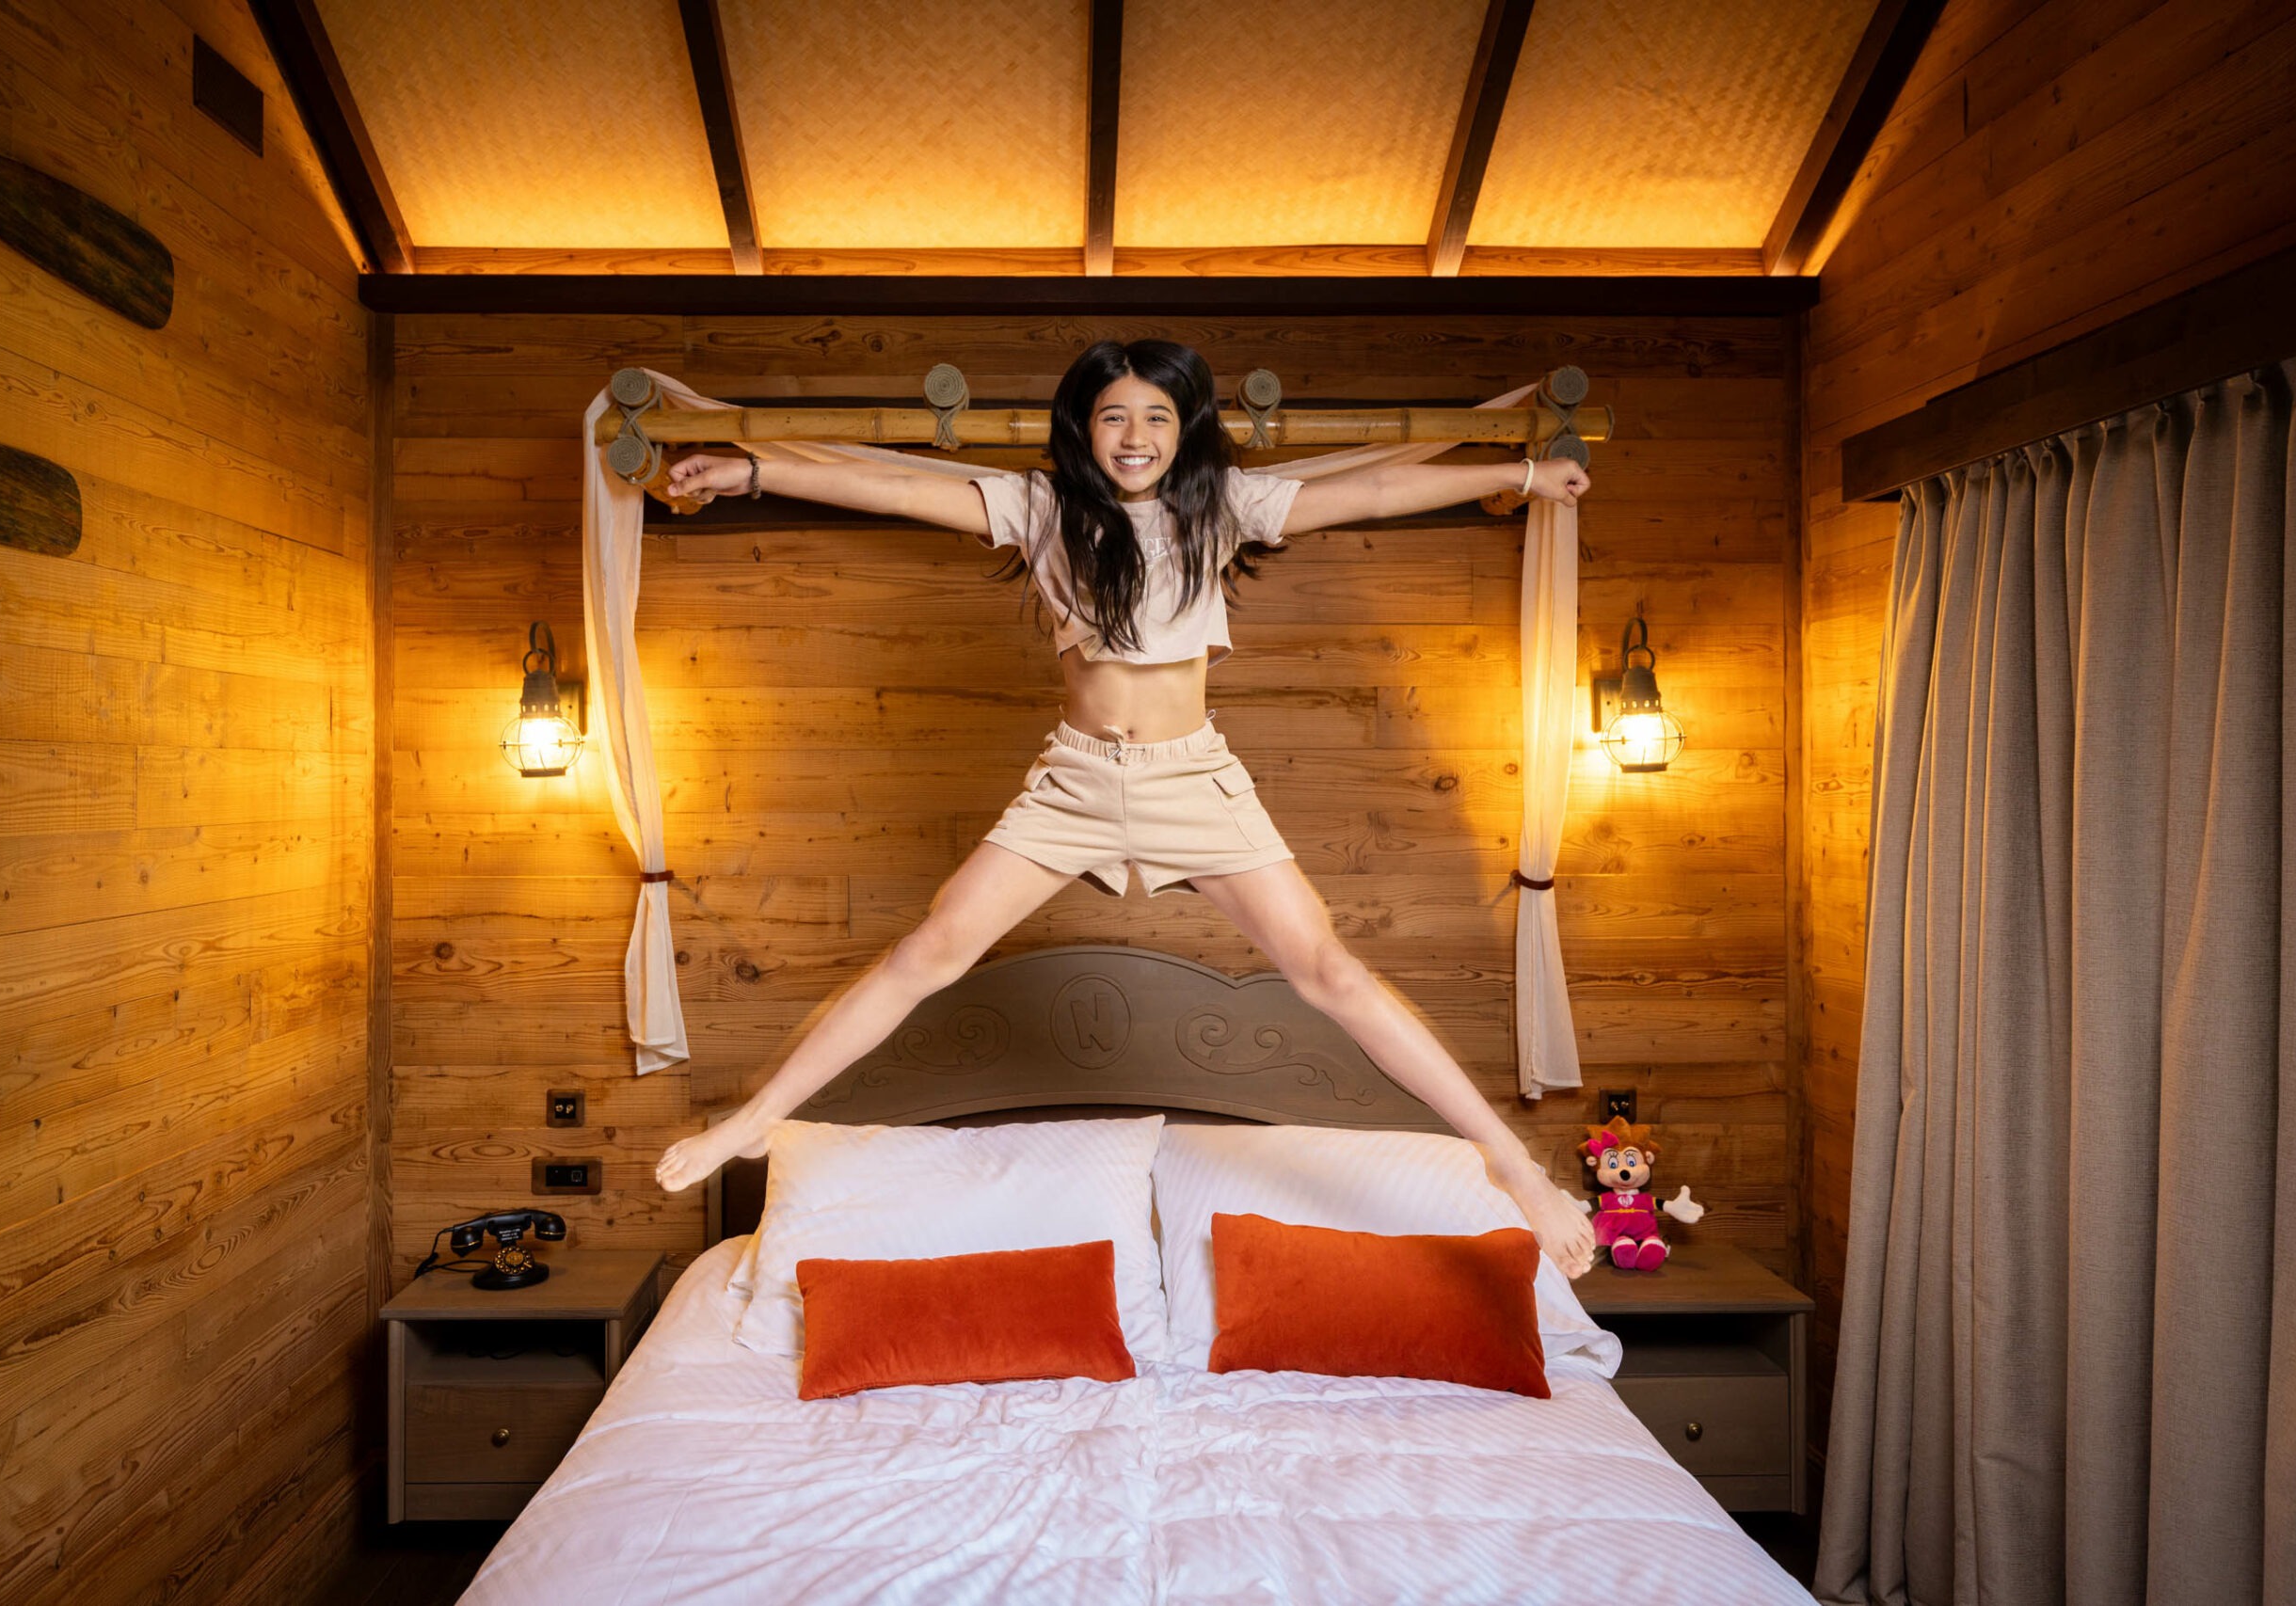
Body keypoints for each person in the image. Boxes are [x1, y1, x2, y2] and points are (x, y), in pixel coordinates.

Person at [650, 339, 1599, 1280]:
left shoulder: (1224, 507)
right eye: (1113, 416)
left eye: (1157, 416)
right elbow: (895, 488)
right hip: (1076, 781)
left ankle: (1512, 1164)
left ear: (1186, 430)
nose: (1135, 435)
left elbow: (1378, 490)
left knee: (1331, 973)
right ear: (1083, 427)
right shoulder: (1042, 508)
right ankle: (753, 1120)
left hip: (1192, 779)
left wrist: (1522, 473)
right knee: (927, 952)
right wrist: (751, 471)